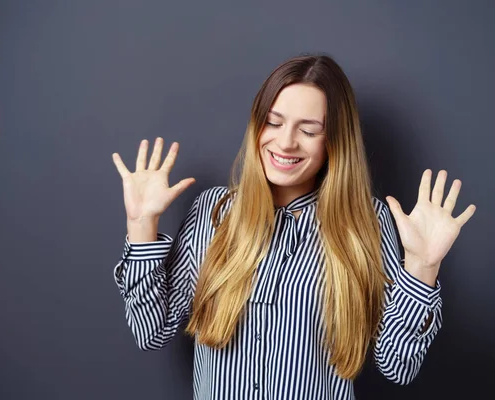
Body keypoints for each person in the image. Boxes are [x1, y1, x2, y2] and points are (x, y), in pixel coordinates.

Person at [111, 54, 476, 399]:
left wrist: (423, 267)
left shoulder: (367, 222)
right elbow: (150, 332)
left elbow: (398, 366)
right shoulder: (214, 211)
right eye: (274, 121)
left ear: (334, 141)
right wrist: (141, 225)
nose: (285, 142)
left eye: (309, 129)